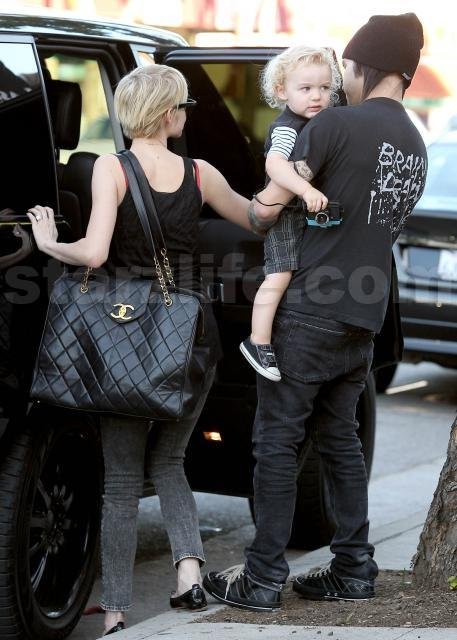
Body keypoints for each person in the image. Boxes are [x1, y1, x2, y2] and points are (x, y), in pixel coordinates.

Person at [204, 13, 427, 610]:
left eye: (344, 69)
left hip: (308, 309)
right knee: (341, 443)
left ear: (363, 66)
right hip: (366, 313)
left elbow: (266, 211)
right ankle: (353, 568)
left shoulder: (335, 124)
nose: (339, 81)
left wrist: (215, 188)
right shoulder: (415, 144)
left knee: (277, 444)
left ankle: (262, 578)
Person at [26, 64, 253, 635]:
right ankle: (189, 574)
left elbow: (95, 253)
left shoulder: (112, 167)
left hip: (126, 336)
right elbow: (257, 217)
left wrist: (51, 242)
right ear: (169, 114)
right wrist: (296, 178)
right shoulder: (201, 173)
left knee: (123, 481)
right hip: (190, 336)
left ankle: (116, 611)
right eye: (184, 107)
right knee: (171, 461)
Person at [239, 46, 341, 382]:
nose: (317, 96)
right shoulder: (287, 127)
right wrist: (306, 190)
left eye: (324, 88)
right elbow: (275, 165)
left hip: (302, 215)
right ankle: (258, 341)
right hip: (285, 216)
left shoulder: (319, 122)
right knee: (279, 275)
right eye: (306, 88)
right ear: (282, 91)